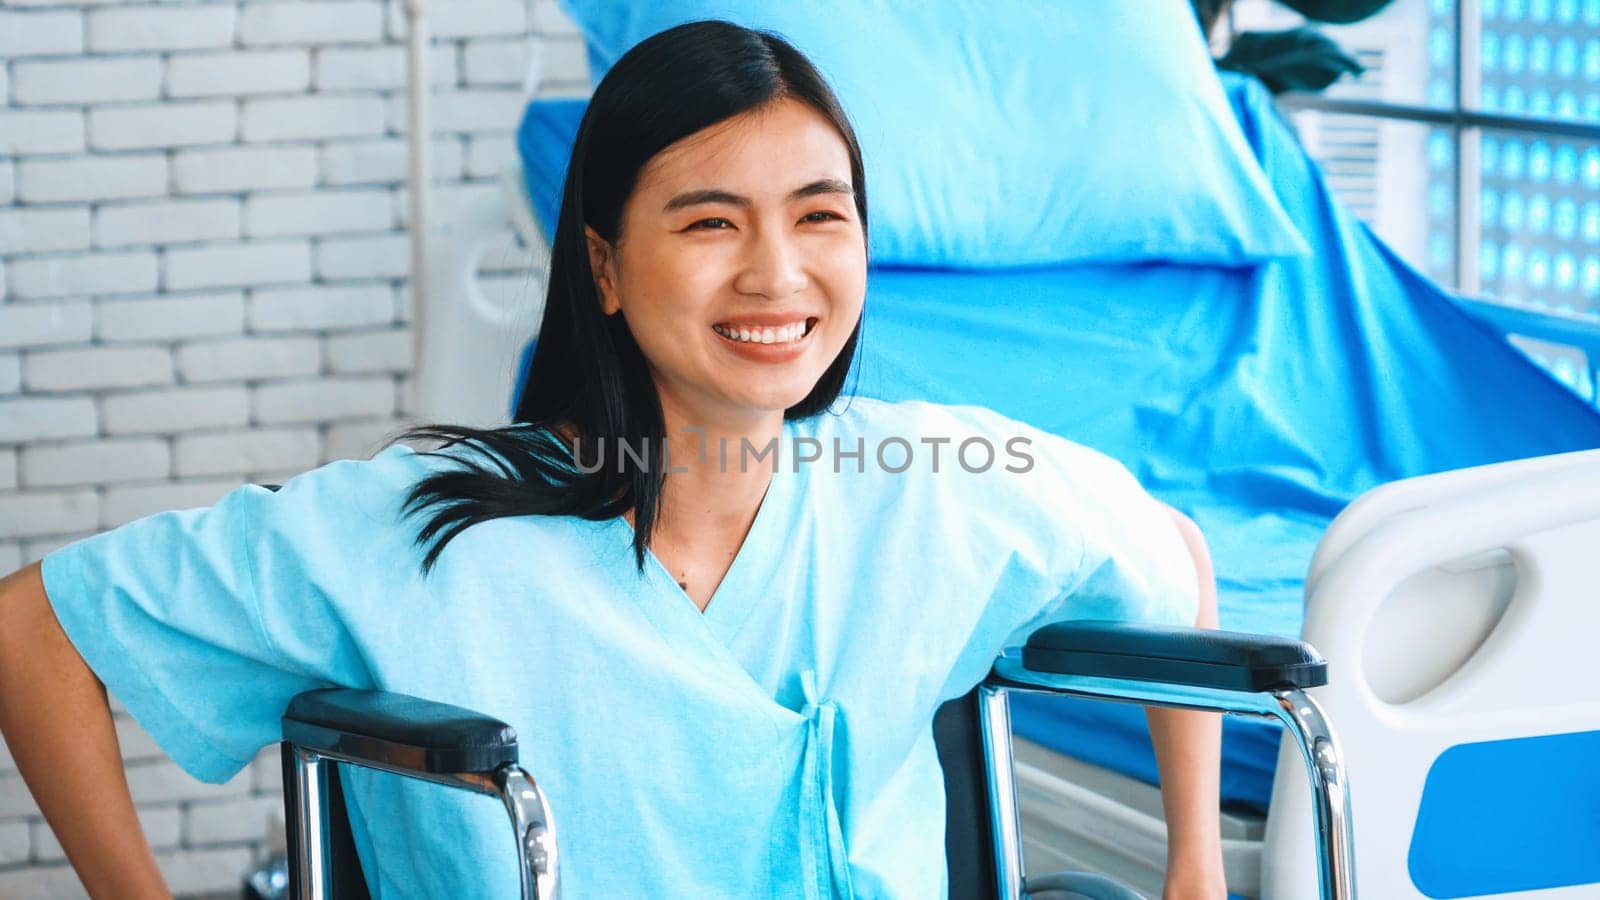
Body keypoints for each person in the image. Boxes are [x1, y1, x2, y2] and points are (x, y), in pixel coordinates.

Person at [0, 20, 1226, 900]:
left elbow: (1170, 559)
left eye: (818, 214)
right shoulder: (428, 538)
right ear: (602, 266)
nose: (776, 275)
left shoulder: (934, 483)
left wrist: (1194, 867)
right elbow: (32, 630)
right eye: (710, 222)